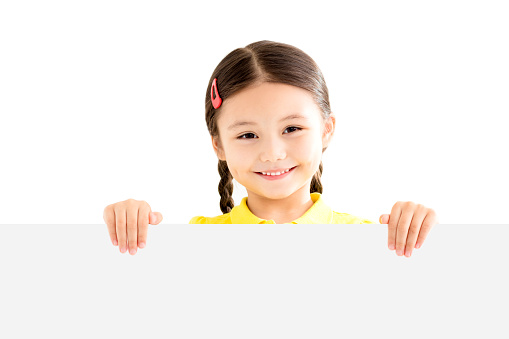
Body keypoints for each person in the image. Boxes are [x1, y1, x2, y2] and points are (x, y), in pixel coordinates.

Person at [103, 40, 438, 257]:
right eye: (248, 135)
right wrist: (126, 226)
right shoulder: (195, 243)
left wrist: (424, 235)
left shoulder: (371, 241)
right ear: (218, 144)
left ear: (326, 130)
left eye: (292, 129)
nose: (273, 153)